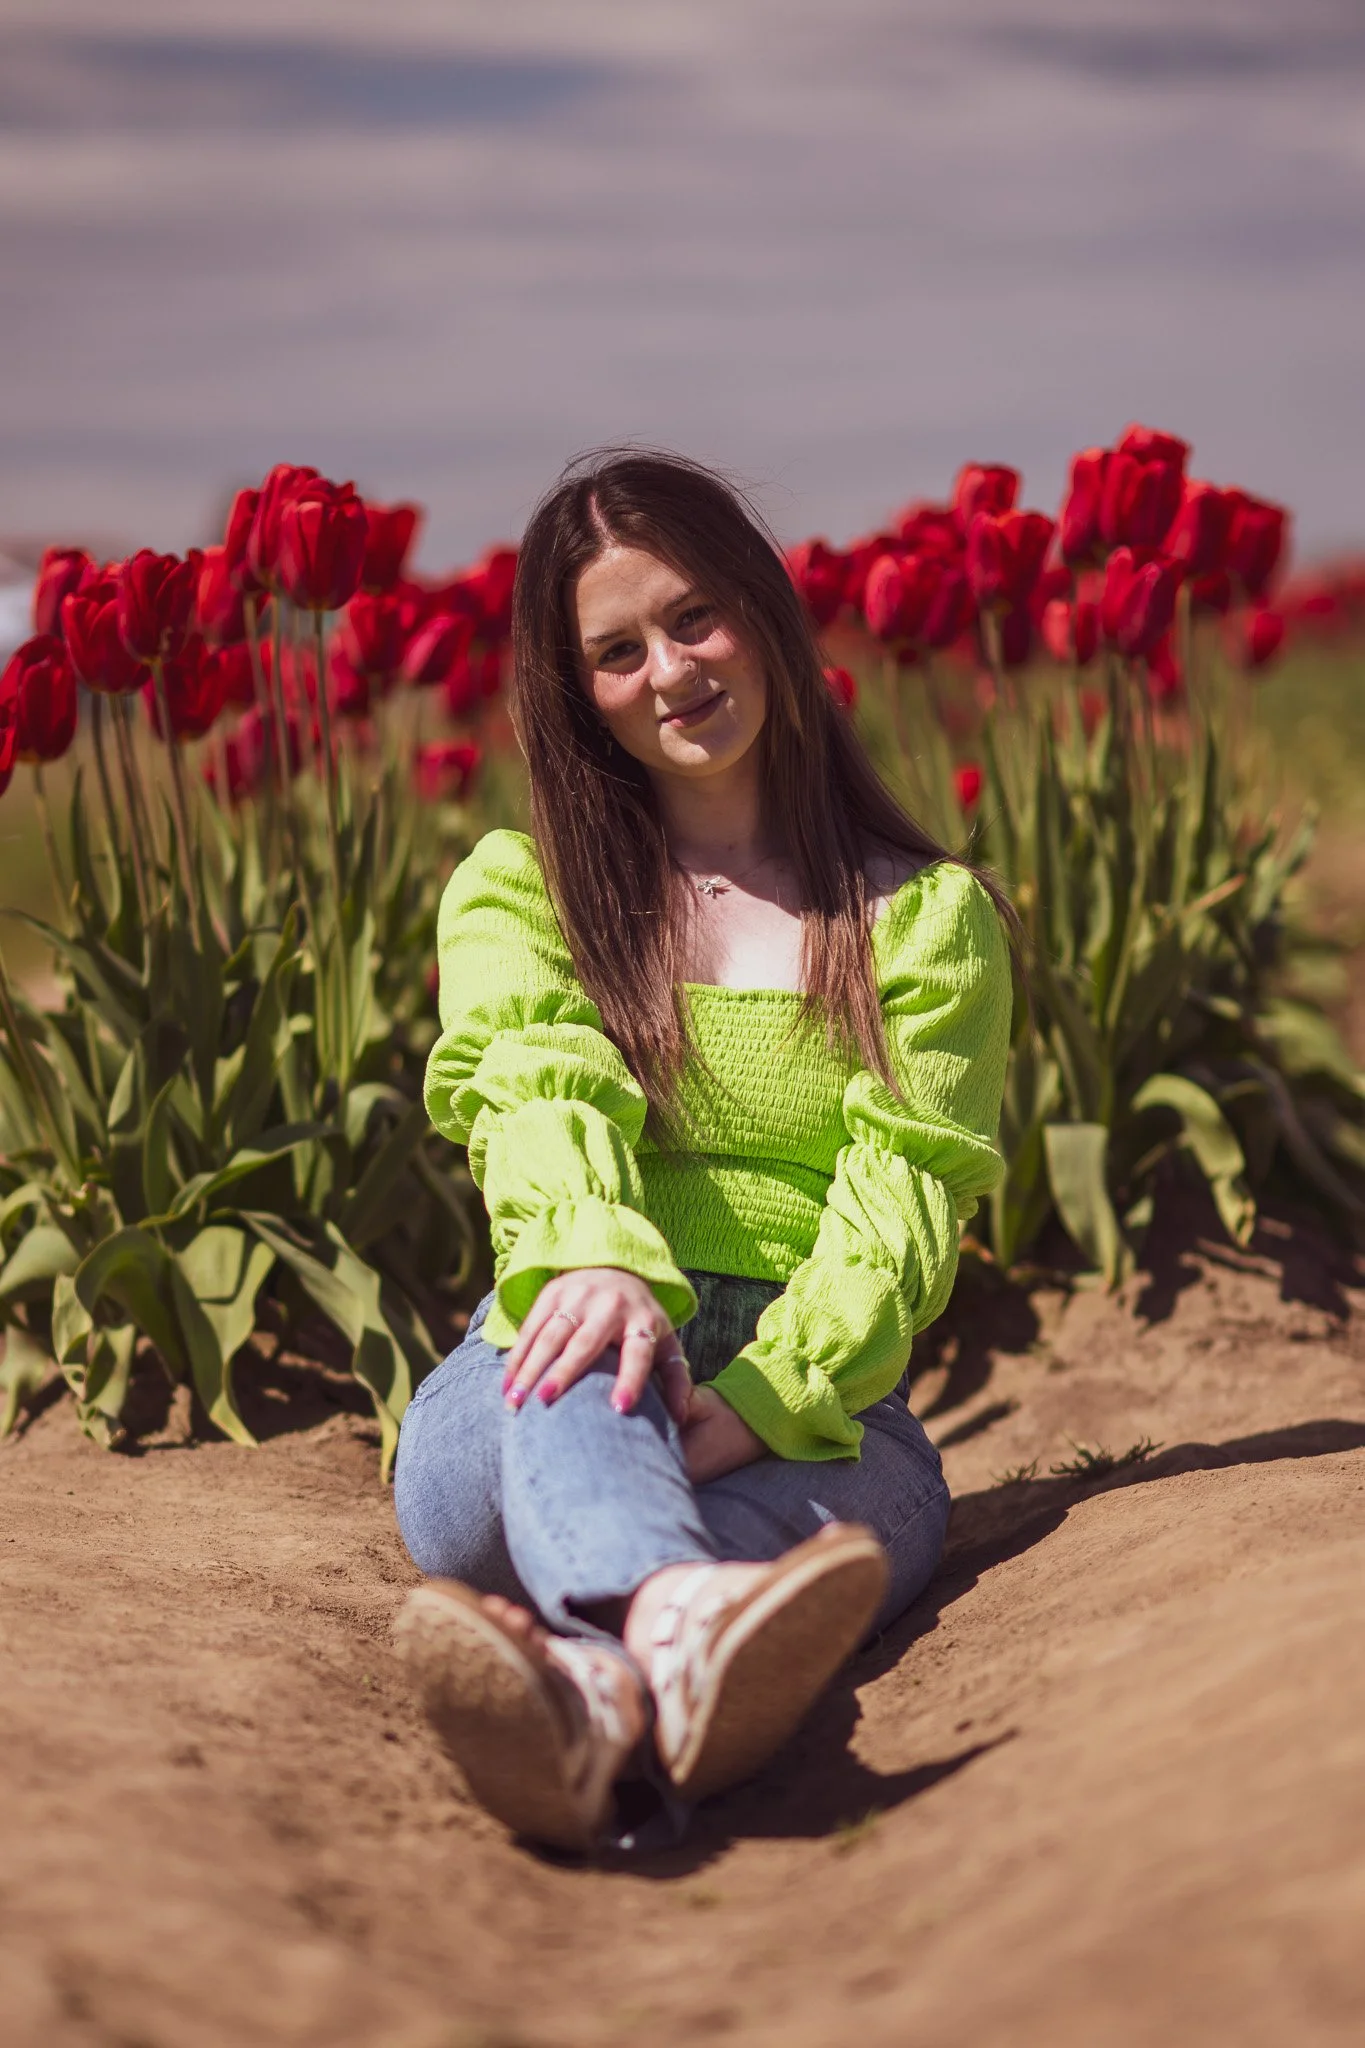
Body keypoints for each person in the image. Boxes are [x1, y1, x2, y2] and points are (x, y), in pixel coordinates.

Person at [394, 449, 1014, 1850]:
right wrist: (602, 1264)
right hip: (543, 1385)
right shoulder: (524, 893)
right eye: (617, 652)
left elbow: (903, 1196)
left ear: (762, 608)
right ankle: (673, 1612)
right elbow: (534, 1092)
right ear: (579, 696)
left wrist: (759, 1397)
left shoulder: (923, 922)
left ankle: (598, 1691)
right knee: (588, 1344)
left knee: (848, 1545)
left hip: (818, 1408)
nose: (669, 669)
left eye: (692, 619)